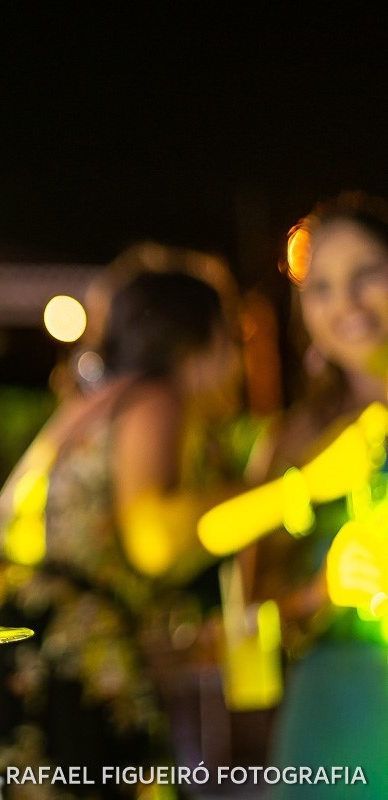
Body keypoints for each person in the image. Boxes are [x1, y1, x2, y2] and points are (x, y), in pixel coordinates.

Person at [0, 271, 242, 797]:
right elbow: (154, 539)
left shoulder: (93, 404)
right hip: (64, 657)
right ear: (202, 338)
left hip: (7, 641)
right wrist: (280, 492)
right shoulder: (156, 398)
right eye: (234, 339)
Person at [243, 192, 388, 798]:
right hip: (339, 711)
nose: (345, 304)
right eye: (320, 287)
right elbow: (251, 618)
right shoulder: (292, 441)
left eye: (366, 275)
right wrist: (321, 590)